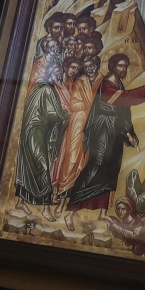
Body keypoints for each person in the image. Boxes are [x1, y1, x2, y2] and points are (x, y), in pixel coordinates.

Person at [65, 54, 145, 227]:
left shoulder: (118, 84)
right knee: (96, 167)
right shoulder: (106, 85)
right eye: (121, 66)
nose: (124, 69)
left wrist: (129, 133)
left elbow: (123, 112)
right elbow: (125, 98)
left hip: (115, 134)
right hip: (103, 132)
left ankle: (102, 213)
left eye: (126, 66)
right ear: (113, 67)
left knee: (111, 171)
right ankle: (71, 211)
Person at [14, 63, 70, 222]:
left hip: (30, 131)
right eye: (56, 72)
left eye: (60, 72)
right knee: (42, 165)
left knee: (27, 165)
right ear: (49, 72)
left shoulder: (38, 87)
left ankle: (20, 202)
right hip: (36, 131)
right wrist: (66, 116)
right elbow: (52, 114)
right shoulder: (47, 89)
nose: (58, 75)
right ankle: (46, 208)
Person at [51, 55, 102, 217]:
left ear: (96, 64)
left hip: (95, 126)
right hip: (78, 123)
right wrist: (90, 107)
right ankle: (62, 198)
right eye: (86, 67)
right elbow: (74, 104)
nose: (89, 69)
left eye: (91, 65)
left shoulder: (102, 81)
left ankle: (75, 203)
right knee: (72, 159)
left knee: (86, 162)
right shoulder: (80, 82)